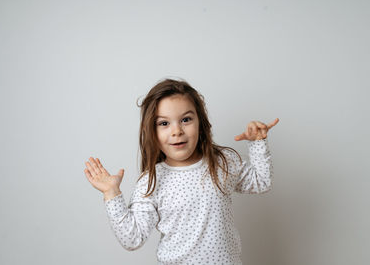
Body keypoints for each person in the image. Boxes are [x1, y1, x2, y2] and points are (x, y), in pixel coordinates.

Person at [84, 78, 279, 265]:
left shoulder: (222, 162)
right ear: (152, 132)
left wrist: (258, 143)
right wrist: (111, 193)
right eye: (164, 123)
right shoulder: (151, 180)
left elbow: (261, 182)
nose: (176, 131)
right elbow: (132, 238)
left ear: (201, 124)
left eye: (185, 119)